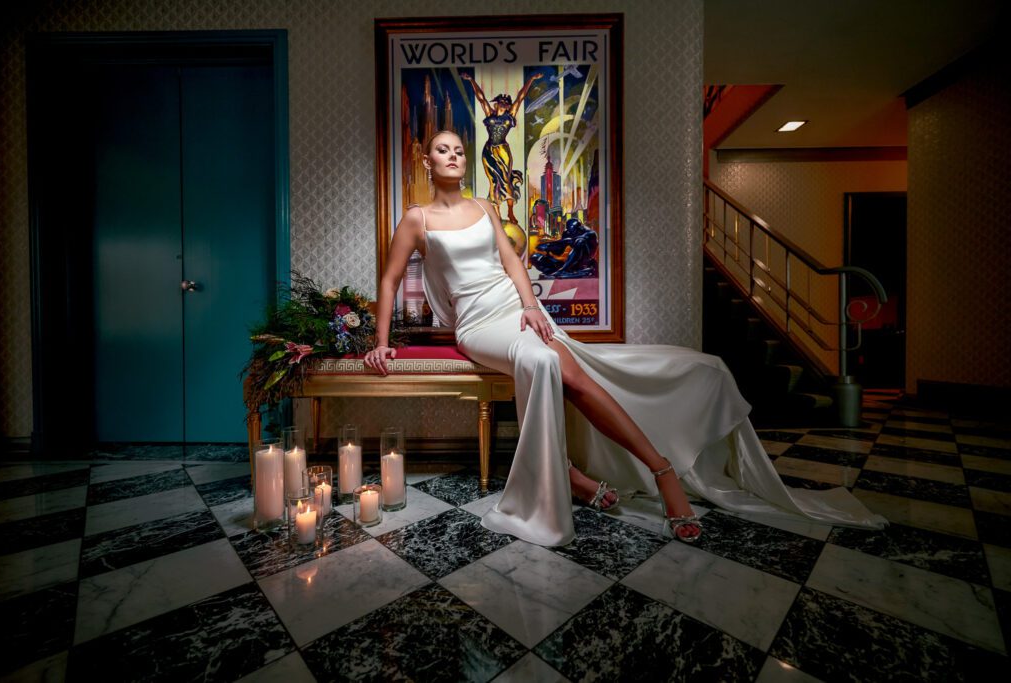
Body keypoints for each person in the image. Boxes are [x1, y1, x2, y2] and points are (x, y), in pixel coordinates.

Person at [364, 130, 886, 547]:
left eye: (459, 150)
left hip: (516, 309)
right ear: (427, 163)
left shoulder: (484, 207)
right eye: (442, 151)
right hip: (478, 324)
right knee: (550, 368)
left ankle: (651, 472)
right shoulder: (416, 219)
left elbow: (511, 265)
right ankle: (606, 475)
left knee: (578, 378)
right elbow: (388, 282)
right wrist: (381, 340)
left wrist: (530, 306)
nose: (453, 156)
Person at [461, 72, 542, 223]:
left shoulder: (510, 115)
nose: (505, 104)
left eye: (507, 102)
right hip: (488, 151)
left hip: (503, 151)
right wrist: (471, 80)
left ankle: (511, 212)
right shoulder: (489, 114)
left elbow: (520, 97)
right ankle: (497, 214)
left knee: (506, 180)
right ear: (497, 103)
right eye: (502, 102)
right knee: (494, 181)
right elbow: (481, 98)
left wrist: (531, 79)